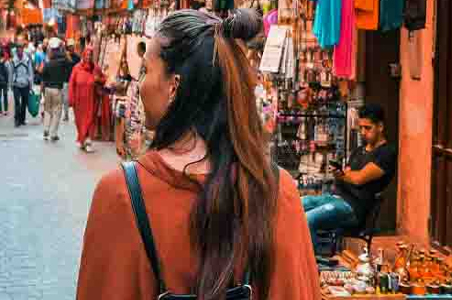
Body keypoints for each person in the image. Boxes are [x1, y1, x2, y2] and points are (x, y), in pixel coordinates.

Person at [76, 9, 318, 300]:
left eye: (145, 71)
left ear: (174, 86)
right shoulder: (278, 192)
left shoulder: (121, 196)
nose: (140, 85)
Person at [302, 103, 397, 259]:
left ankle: (313, 263)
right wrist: (343, 175)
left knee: (308, 219)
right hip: (336, 198)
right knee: (299, 203)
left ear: (380, 127)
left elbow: (359, 179)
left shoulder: (386, 153)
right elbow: (348, 175)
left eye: (368, 128)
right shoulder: (359, 151)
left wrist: (345, 175)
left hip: (354, 207)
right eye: (361, 128)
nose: (363, 132)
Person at [67, 48, 102, 153]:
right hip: (79, 101)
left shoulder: (96, 68)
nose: (88, 57)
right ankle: (83, 139)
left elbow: (103, 79)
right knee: (80, 122)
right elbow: (71, 84)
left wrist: (98, 79)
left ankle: (88, 141)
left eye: (90, 55)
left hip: (92, 100)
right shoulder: (76, 68)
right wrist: (71, 98)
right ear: (83, 56)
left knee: (90, 120)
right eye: (87, 55)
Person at [119, 41, 150, 160]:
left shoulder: (142, 89)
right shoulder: (134, 87)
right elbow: (126, 113)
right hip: (132, 128)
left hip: (137, 130)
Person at [41, 47, 72, 142]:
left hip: (47, 89)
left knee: (47, 110)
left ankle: (46, 129)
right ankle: (53, 133)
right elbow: (70, 63)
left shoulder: (47, 63)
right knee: (57, 112)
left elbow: (42, 75)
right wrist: (65, 53)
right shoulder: (62, 62)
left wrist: (42, 89)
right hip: (57, 89)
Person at [9, 48, 34, 127]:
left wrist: (31, 84)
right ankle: (17, 120)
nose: (20, 52)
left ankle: (22, 119)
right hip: (16, 84)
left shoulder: (27, 60)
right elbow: (11, 72)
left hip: (25, 84)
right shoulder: (13, 61)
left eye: (21, 50)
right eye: (18, 51)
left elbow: (30, 72)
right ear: (16, 52)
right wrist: (10, 84)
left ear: (23, 51)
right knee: (17, 103)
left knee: (24, 102)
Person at [0, 51, 11, 117]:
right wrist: (9, 83)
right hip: (5, 82)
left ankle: (0, 112)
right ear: (3, 56)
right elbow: (9, 73)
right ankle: (6, 111)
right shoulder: (6, 62)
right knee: (5, 96)